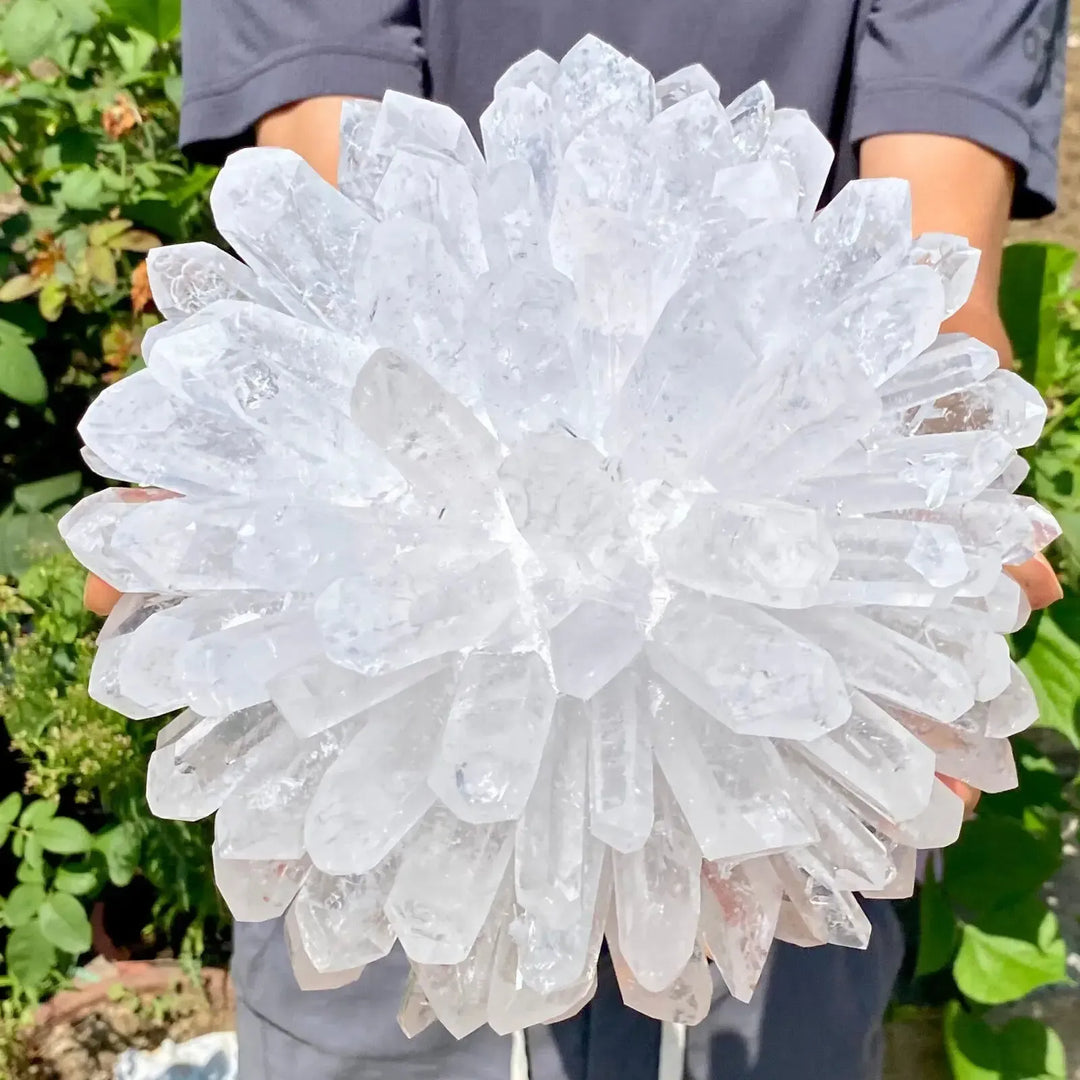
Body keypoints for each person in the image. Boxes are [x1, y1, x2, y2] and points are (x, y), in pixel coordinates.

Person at [82, 1, 1068, 1078]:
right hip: (405, 819)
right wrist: (243, 534)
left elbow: (931, 280)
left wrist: (942, 523)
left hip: (771, 800)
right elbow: (352, 206)